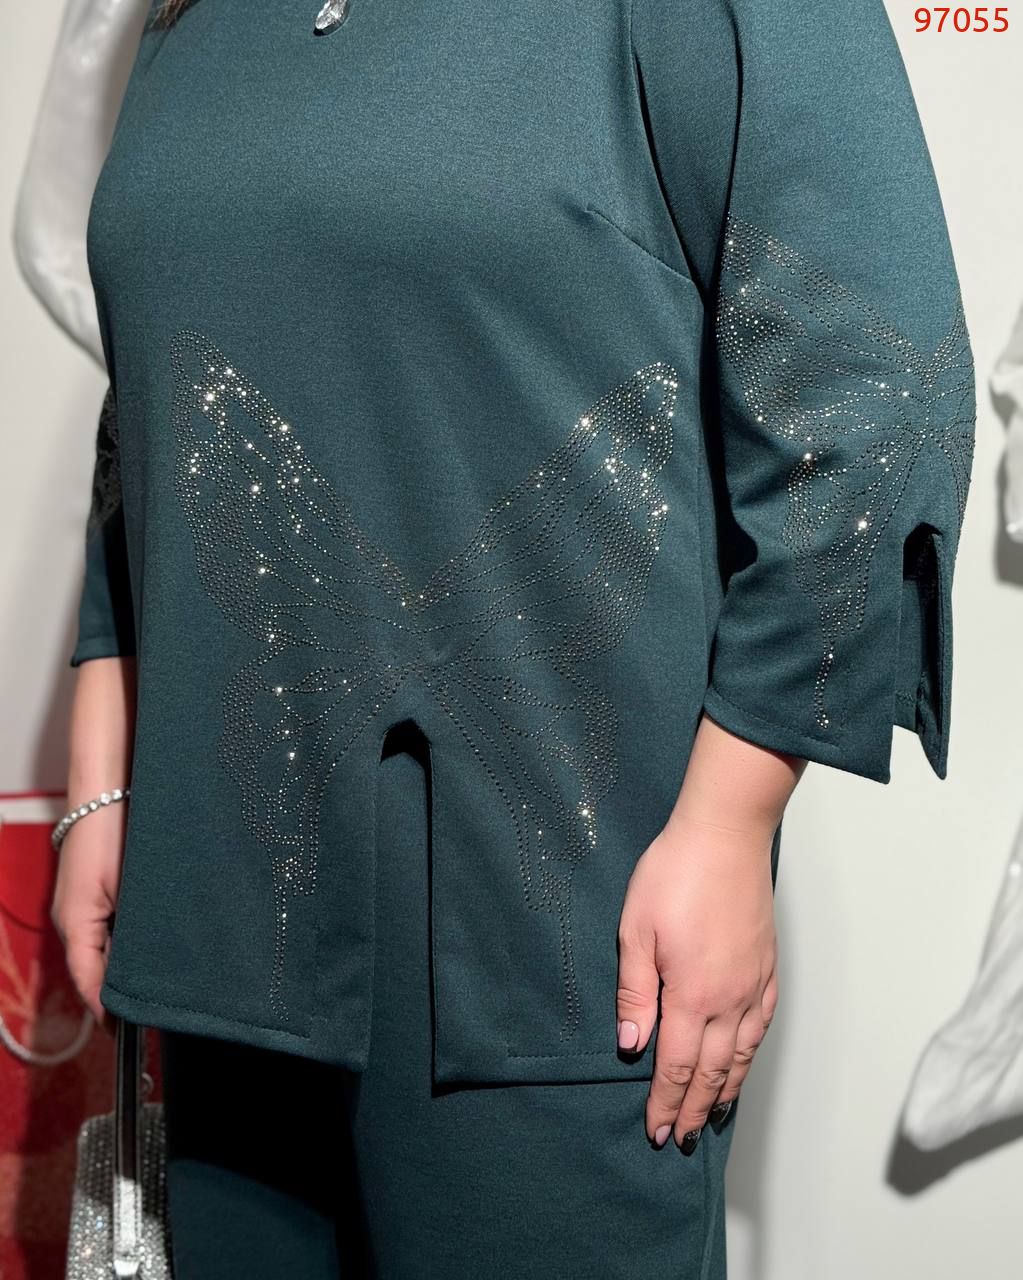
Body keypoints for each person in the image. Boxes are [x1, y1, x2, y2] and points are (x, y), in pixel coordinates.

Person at [49, 0, 976, 1274]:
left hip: (555, 933)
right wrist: (103, 764)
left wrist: (731, 817)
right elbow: (156, 376)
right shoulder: (186, 18)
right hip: (218, 898)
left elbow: (873, 385)